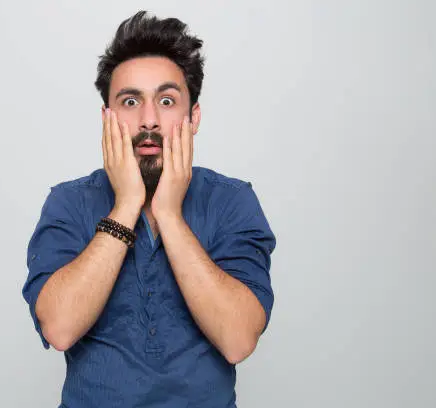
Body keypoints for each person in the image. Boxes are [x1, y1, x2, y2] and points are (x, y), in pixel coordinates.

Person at [22, 10, 276, 408]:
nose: (150, 120)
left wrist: (171, 215)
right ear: (107, 118)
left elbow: (238, 338)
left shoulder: (231, 201)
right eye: (130, 101)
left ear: (193, 118)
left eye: (167, 100)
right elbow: (59, 328)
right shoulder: (69, 202)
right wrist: (126, 204)